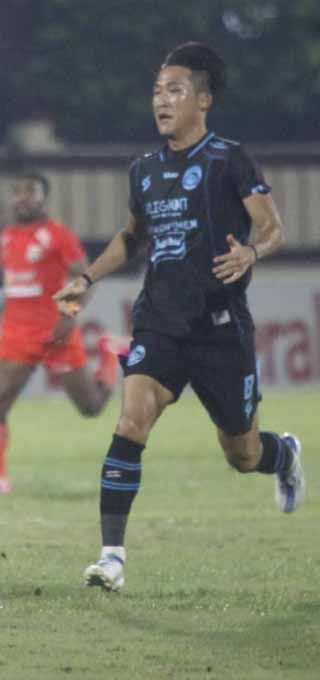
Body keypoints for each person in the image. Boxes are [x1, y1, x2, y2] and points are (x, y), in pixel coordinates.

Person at [53, 43, 304, 592]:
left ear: (204, 100)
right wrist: (88, 279)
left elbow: (275, 228)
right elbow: (131, 238)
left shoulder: (229, 159)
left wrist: (252, 253)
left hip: (220, 330)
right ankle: (112, 557)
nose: (162, 101)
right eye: (157, 91)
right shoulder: (143, 170)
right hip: (159, 323)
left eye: (175, 90)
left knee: (242, 453)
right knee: (130, 423)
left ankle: (282, 454)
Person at [0, 172, 123, 494]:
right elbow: (5, 276)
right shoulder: (9, 235)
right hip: (16, 333)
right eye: (18, 192)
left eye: (31, 192)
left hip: (56, 332)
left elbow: (85, 277)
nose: (23, 198)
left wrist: (68, 313)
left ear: (43, 198)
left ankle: (111, 353)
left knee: (91, 407)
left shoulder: (58, 235)